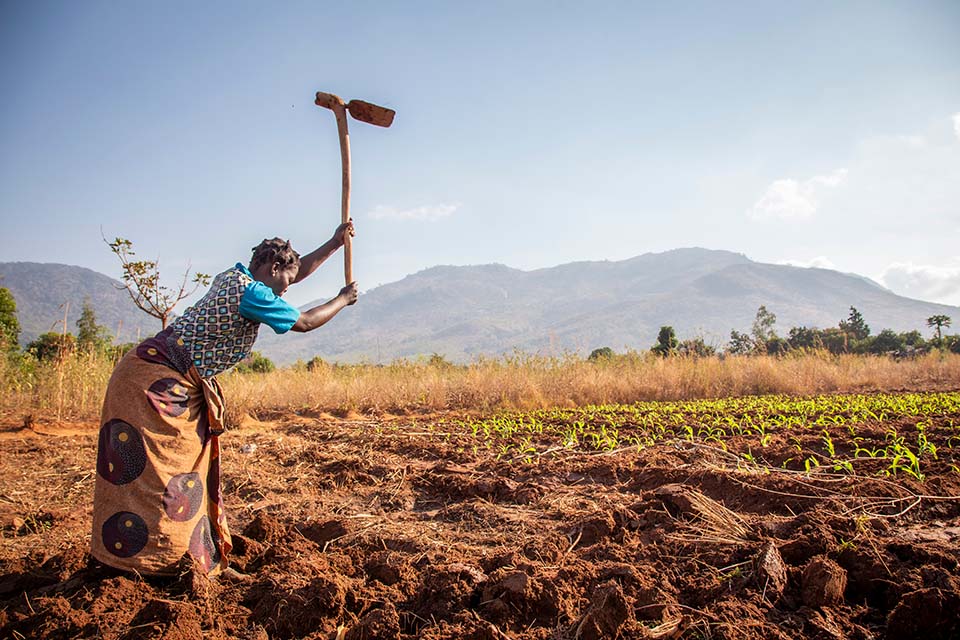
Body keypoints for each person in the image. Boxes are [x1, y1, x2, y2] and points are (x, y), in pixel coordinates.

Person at [90, 221, 357, 577]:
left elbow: (294, 271)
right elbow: (305, 322)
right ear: (273, 269)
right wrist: (342, 299)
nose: (284, 291)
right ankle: (149, 564)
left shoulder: (236, 277)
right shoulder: (253, 295)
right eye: (285, 282)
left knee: (189, 469)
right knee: (162, 470)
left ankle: (188, 557)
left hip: (158, 376)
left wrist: (334, 244)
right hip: (152, 382)